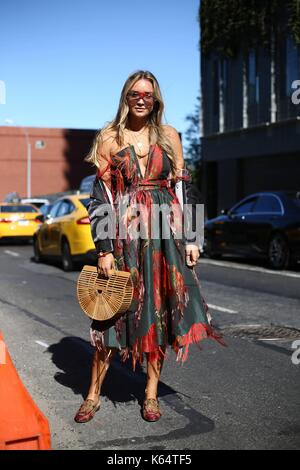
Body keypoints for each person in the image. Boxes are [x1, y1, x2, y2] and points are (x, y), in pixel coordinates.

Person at [74, 70, 225, 424]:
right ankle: (93, 393)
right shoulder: (109, 138)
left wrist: (193, 239)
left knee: (159, 314)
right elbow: (101, 199)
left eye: (148, 94)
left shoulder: (169, 135)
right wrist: (104, 249)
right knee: (111, 313)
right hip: (125, 237)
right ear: (125, 97)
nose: (141, 99)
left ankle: (151, 394)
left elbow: (184, 189)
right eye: (134, 94)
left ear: (156, 99)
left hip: (164, 239)